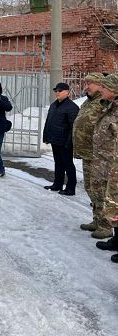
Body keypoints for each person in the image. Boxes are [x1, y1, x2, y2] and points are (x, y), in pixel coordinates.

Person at [72, 73, 105, 233]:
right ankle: (97, 219)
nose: (86, 87)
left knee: (100, 190)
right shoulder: (88, 101)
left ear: (100, 84)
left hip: (99, 155)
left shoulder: (104, 103)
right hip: (87, 153)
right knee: (90, 187)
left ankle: (105, 225)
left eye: (90, 83)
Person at [92, 73, 118, 253]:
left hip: (113, 165)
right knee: (113, 204)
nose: (101, 89)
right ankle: (116, 239)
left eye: (105, 87)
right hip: (105, 164)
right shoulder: (110, 107)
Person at [43, 82, 79, 195]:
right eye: (56, 91)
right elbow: (49, 122)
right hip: (55, 140)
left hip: (65, 142)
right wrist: (46, 136)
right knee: (58, 163)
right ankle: (57, 184)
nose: (57, 93)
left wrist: (69, 142)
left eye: (60, 90)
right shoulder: (54, 105)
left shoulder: (72, 107)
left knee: (68, 164)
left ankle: (70, 188)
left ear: (67, 92)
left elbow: (74, 127)